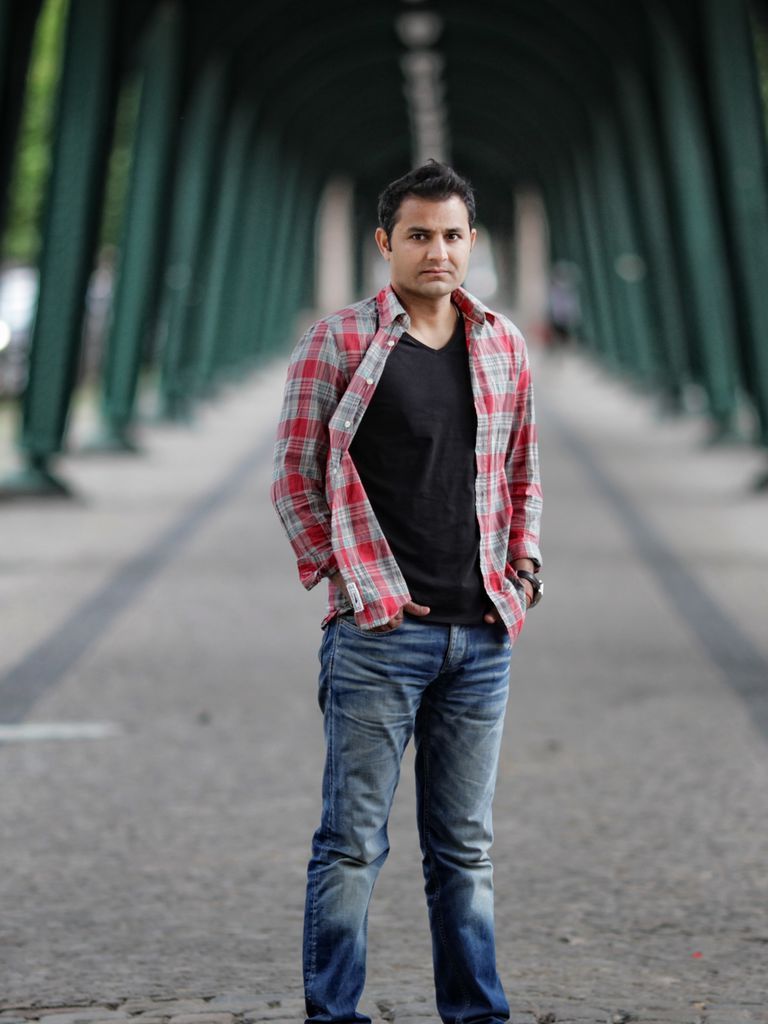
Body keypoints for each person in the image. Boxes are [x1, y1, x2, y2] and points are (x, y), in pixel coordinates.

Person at [271, 161, 543, 1024]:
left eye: (453, 236)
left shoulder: (502, 343)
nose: (438, 252)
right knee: (351, 844)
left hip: (482, 636)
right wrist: (356, 586)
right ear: (386, 242)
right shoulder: (339, 342)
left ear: (473, 242)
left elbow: (523, 473)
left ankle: (476, 1014)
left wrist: (524, 572)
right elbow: (294, 478)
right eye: (420, 235)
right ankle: (334, 1015)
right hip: (378, 638)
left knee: (466, 851)